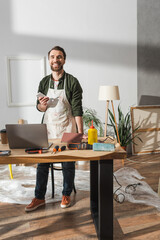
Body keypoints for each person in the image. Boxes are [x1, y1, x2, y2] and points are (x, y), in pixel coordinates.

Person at [25, 46, 83, 212]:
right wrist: (41, 106)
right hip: (49, 127)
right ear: (49, 60)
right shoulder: (44, 82)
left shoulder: (72, 82)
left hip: (68, 127)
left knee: (68, 162)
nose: (55, 60)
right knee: (42, 163)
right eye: (52, 57)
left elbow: (77, 109)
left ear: (64, 60)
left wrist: (80, 133)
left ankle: (66, 194)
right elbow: (40, 108)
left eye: (59, 57)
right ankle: (39, 197)